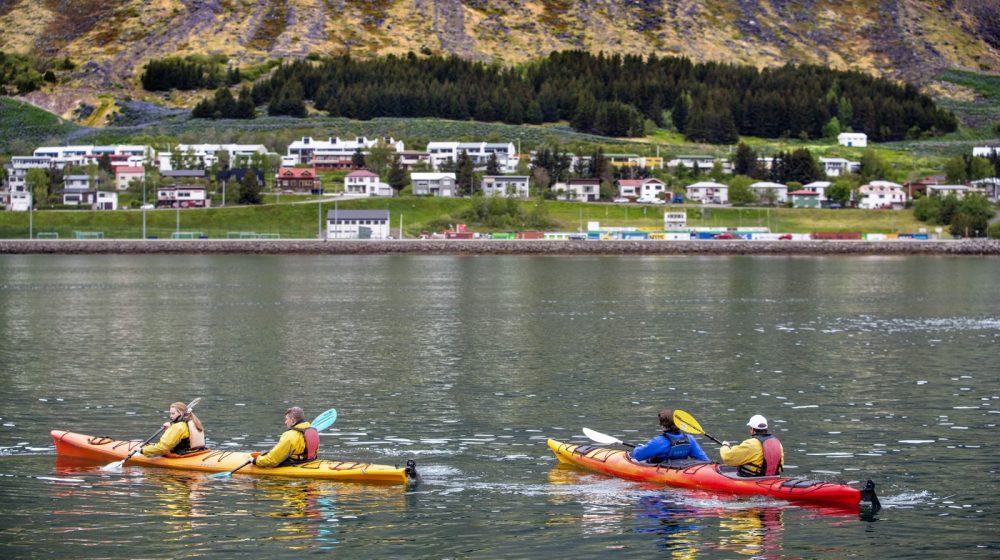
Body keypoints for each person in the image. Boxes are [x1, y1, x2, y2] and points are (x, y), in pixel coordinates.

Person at [632, 409, 710, 463]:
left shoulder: (658, 442)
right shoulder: (690, 439)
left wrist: (638, 448)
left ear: (663, 426)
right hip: (682, 470)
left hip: (665, 472)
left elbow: (638, 456)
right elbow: (704, 460)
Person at [252, 407, 320, 468]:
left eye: (287, 419)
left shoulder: (290, 436)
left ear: (293, 420)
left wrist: (255, 461)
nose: (285, 422)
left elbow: (272, 460)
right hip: (310, 461)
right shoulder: (313, 431)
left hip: (294, 464)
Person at [719, 414, 784, 477]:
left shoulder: (751, 444)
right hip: (773, 477)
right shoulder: (777, 443)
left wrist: (725, 446)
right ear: (766, 428)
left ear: (752, 430)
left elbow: (728, 457)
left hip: (751, 479)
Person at [141, 401, 206, 457]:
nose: (170, 416)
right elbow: (184, 433)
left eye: (173, 413)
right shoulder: (193, 421)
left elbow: (163, 447)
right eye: (170, 413)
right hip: (198, 450)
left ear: (181, 413)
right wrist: (170, 428)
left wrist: (142, 450)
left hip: (184, 453)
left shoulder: (178, 426)